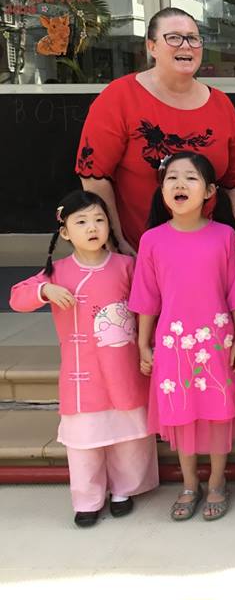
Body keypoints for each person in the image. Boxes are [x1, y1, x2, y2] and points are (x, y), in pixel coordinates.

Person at [9, 191, 158, 528]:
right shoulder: (57, 272)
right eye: (81, 222)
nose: (92, 228)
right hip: (83, 372)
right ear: (65, 232)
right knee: (85, 440)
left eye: (99, 220)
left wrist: (148, 346)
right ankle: (88, 499)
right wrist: (44, 291)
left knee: (128, 433)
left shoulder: (126, 266)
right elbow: (17, 298)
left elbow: (147, 306)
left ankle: (124, 489)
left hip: (123, 366)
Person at [129, 152, 235, 522]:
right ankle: (190, 483)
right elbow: (146, 298)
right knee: (181, 413)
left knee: (217, 411)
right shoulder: (152, 240)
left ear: (209, 191)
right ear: (162, 190)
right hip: (173, 344)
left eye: (190, 177)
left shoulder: (225, 236)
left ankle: (217, 480)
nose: (180, 184)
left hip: (217, 341)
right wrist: (142, 343)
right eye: (172, 178)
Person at [75, 7, 235, 252]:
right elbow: (94, 176)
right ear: (152, 47)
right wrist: (115, 242)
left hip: (211, 251)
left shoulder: (221, 104)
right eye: (174, 37)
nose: (186, 45)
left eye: (193, 38)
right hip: (138, 251)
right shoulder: (119, 97)